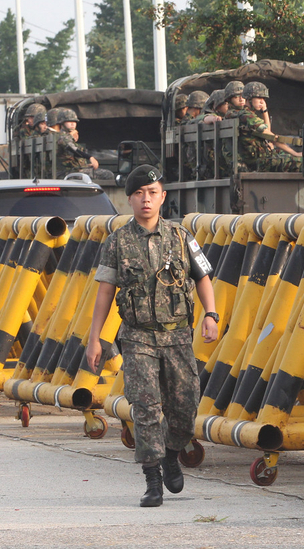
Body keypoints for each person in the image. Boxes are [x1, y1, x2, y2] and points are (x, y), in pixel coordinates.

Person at [87, 164, 219, 508]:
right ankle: (152, 480)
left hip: (178, 336)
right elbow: (105, 292)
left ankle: (171, 454)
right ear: (129, 199)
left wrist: (211, 314)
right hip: (138, 337)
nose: (146, 199)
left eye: (152, 193)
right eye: (139, 194)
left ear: (162, 197)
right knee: (145, 408)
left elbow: (202, 277)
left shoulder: (181, 237)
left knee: (185, 407)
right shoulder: (117, 242)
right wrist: (94, 338)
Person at [224, 82, 304, 172]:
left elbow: (267, 133)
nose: (262, 102)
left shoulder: (234, 115)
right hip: (259, 162)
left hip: (257, 159)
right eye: (259, 98)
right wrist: (295, 153)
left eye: (263, 99)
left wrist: (264, 110)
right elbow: (270, 137)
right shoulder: (246, 116)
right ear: (249, 99)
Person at [55, 109, 115, 181]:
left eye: (74, 121)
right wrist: (90, 157)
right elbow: (73, 149)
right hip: (67, 173)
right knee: (107, 175)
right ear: (62, 123)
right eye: (69, 121)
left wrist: (85, 165)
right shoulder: (62, 136)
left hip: (74, 170)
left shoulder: (67, 136)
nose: (73, 124)